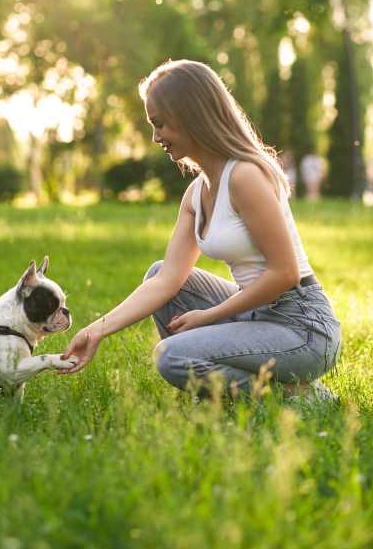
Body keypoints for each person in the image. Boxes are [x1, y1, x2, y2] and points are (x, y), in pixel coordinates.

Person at [60, 60, 341, 401]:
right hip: (258, 313)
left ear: (191, 115)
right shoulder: (196, 193)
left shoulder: (245, 176)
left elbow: (284, 273)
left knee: (172, 356)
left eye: (160, 124)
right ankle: (219, 391)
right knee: (159, 273)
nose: (155, 136)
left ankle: (297, 400)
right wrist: (95, 331)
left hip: (303, 327)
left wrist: (207, 317)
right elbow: (166, 283)